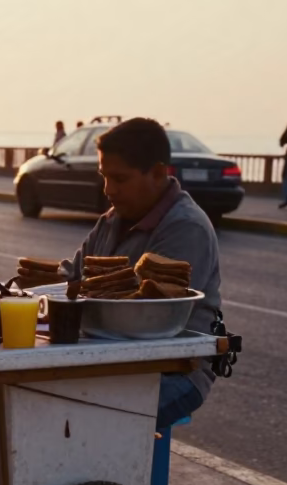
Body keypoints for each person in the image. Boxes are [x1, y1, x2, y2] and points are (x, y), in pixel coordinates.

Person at [37, 117, 221, 430]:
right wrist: (33, 287)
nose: (108, 190)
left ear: (159, 173)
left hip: (171, 370)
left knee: (75, 425)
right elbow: (71, 276)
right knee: (30, 401)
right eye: (104, 177)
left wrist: (77, 291)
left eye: (120, 179)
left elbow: (145, 312)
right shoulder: (112, 220)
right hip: (105, 358)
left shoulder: (185, 227)